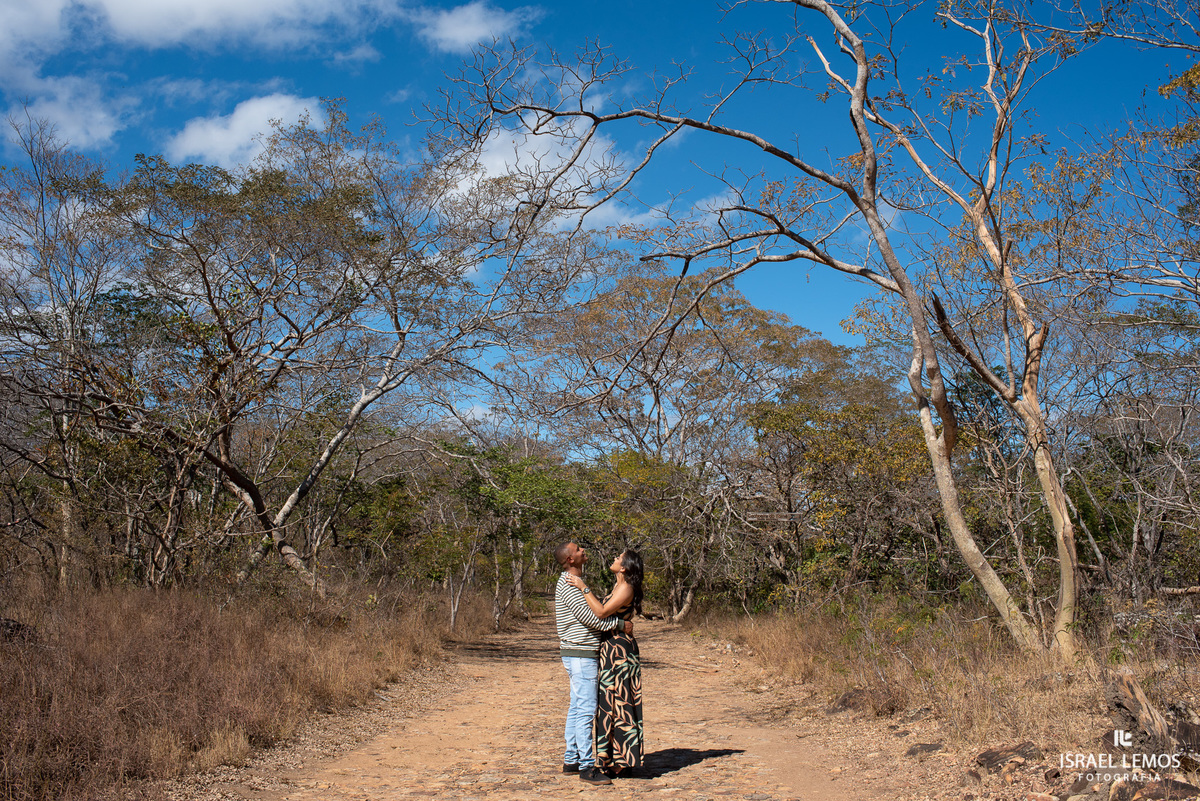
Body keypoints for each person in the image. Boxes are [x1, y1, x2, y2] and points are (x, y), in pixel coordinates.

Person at [553, 541, 629, 786]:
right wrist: (619, 625)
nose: (583, 550)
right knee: (586, 709)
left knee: (577, 706)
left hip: (577, 652)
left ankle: (571, 759)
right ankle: (587, 767)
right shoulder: (568, 584)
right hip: (580, 653)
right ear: (571, 559)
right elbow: (591, 618)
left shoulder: (572, 583)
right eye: (577, 549)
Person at [565, 548, 644, 779]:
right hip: (611, 648)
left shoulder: (626, 587)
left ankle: (622, 760)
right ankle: (610, 757)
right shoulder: (619, 586)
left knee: (620, 701)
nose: (614, 558)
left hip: (619, 650)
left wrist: (583, 587)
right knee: (608, 702)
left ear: (624, 567)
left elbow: (600, 612)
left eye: (618, 558)